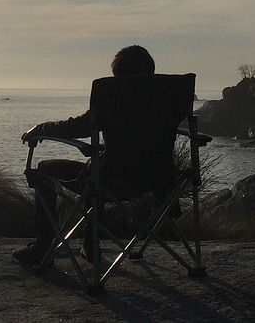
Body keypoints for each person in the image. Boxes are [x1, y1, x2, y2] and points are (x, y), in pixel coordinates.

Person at [12, 44, 157, 267]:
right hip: (156, 177)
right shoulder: (163, 100)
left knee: (47, 170)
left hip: (112, 180)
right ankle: (91, 246)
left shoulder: (114, 97)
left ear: (118, 77)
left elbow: (76, 127)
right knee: (98, 169)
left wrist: (41, 128)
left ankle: (43, 246)